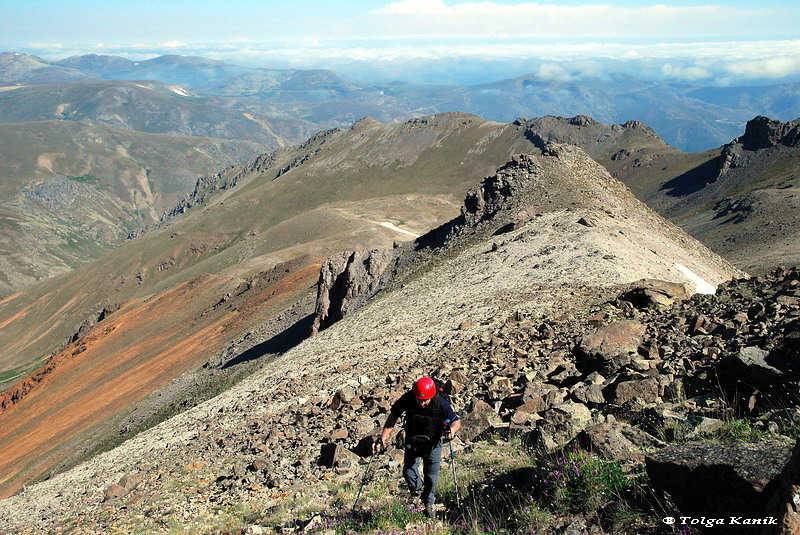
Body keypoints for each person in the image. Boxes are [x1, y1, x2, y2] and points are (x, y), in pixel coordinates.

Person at [372, 376, 461, 517]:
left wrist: (452, 431)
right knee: (408, 471)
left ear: (431, 396)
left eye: (425, 400)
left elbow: (456, 421)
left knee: (431, 475)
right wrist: (382, 439)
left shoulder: (440, 402)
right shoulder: (408, 398)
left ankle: (429, 504)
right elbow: (393, 416)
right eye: (419, 400)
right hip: (413, 439)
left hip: (433, 441)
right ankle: (418, 493)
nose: (422, 403)